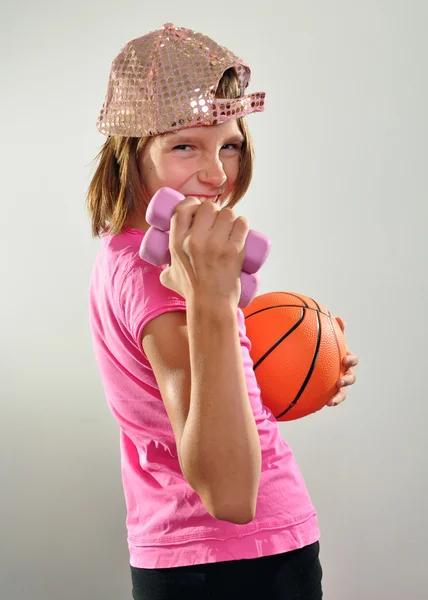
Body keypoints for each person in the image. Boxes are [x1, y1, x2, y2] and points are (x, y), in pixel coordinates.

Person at [86, 23, 358, 600]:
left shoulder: (135, 251)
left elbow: (195, 403)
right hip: (237, 559)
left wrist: (303, 368)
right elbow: (231, 492)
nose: (217, 174)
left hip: (199, 554)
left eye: (229, 144)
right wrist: (211, 299)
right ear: (131, 150)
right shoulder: (160, 275)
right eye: (185, 145)